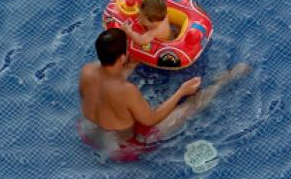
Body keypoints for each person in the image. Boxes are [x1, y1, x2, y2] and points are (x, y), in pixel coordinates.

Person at [78, 28, 251, 161]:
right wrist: (181, 92)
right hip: (123, 148)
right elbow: (151, 120)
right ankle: (225, 80)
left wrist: (129, 68)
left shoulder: (87, 70)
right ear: (122, 58)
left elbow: (104, 89)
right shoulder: (126, 91)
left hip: (90, 132)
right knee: (191, 105)